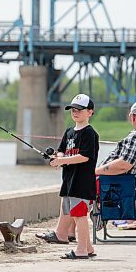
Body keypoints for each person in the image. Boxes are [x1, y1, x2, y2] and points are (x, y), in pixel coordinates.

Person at [38, 93, 100, 259]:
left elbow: (85, 157)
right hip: (69, 181)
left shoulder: (89, 133)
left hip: (82, 182)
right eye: (73, 109)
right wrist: (57, 158)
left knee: (80, 216)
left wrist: (63, 160)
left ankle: (80, 250)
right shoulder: (69, 132)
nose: (75, 112)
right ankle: (88, 248)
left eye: (80, 109)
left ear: (90, 112)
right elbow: (61, 150)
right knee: (74, 214)